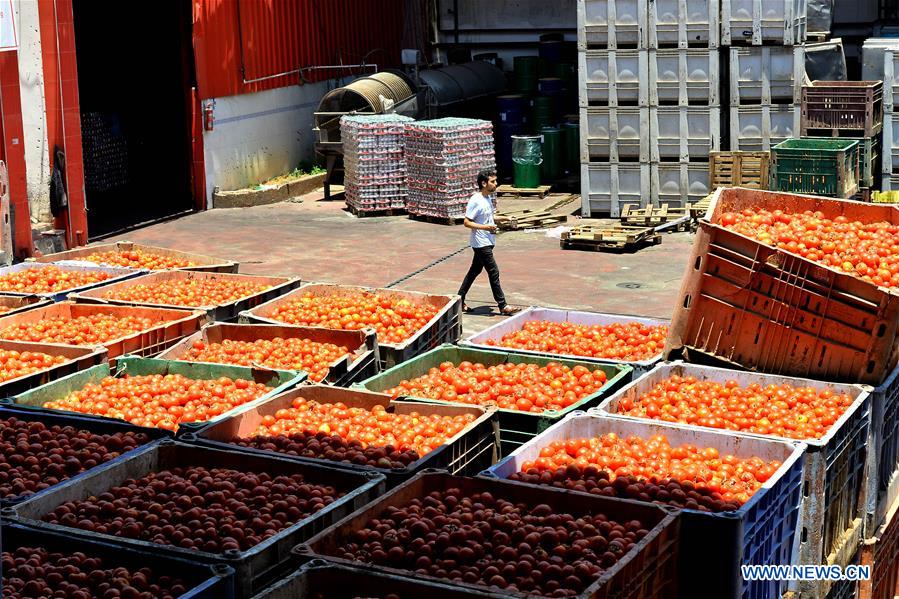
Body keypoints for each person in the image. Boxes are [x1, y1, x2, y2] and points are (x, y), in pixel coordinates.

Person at [457, 170, 520, 315]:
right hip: (480, 243)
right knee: (493, 271)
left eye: (495, 181)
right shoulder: (475, 200)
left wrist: (506, 219)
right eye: (493, 181)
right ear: (484, 183)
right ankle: (502, 305)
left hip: (488, 241)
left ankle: (458, 300)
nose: (496, 184)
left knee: (474, 271)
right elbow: (467, 222)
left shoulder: (487, 199)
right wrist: (485, 227)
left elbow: (489, 219)